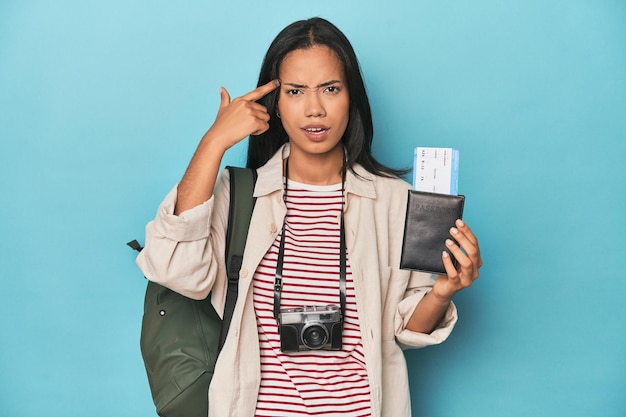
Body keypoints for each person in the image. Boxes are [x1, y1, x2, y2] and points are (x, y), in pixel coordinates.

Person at [136, 17, 482, 417]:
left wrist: (444, 291)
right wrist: (213, 142)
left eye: (330, 89)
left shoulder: (395, 201)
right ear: (276, 105)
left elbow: (404, 329)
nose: (314, 109)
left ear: (351, 97)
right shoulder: (237, 197)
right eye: (295, 91)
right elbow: (173, 268)